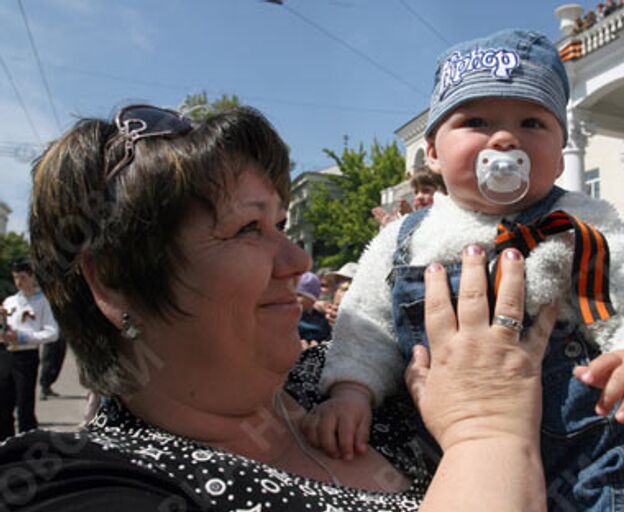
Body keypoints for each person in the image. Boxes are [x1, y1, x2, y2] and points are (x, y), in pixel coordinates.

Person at [0, 104, 560, 511]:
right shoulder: (71, 482)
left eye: (282, 225)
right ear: (116, 282)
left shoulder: (353, 377)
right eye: (247, 228)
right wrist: (488, 435)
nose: (296, 259)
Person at [310, 29, 624, 510]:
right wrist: (352, 389)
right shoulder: (407, 238)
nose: (505, 139)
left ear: (559, 156)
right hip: (448, 455)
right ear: (432, 152)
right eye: (475, 120)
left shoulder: (587, 224)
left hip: (595, 455)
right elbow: (365, 323)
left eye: (533, 123)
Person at [0, 259, 59, 441]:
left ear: (32, 277)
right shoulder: (10, 301)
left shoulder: (42, 302)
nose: (19, 282)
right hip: (5, 354)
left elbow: (52, 333)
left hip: (26, 355)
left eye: (23, 277)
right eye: (16, 278)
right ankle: (5, 445)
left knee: (24, 405)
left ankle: (26, 444)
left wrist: (23, 337)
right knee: (3, 405)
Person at [297, 271, 332, 344]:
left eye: (299, 295)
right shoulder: (286, 316)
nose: (293, 299)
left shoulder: (323, 320)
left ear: (312, 300)